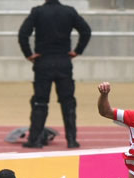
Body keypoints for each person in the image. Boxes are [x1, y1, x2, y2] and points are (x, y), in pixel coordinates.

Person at [18, 0, 91, 149]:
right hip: (64, 61)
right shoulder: (69, 11)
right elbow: (86, 31)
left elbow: (23, 34)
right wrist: (77, 51)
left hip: (43, 61)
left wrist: (29, 54)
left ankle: (35, 139)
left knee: (40, 101)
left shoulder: (37, 11)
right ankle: (71, 140)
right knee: (68, 102)